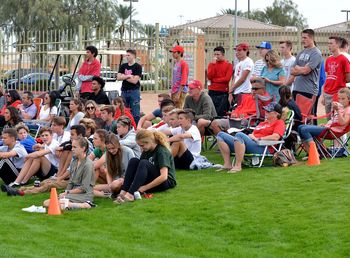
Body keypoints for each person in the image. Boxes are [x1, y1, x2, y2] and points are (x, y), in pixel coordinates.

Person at [216, 102, 286, 173]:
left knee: (239, 135)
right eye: (265, 110)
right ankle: (227, 164)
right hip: (252, 143)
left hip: (263, 146)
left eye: (268, 111)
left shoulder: (279, 123)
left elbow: (275, 137)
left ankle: (238, 165)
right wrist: (251, 136)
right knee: (220, 135)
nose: (266, 112)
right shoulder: (262, 123)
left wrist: (259, 139)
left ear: (276, 114)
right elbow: (253, 134)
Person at [115, 129, 176, 203]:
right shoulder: (146, 151)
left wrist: (144, 188)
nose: (141, 148)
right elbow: (140, 171)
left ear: (149, 142)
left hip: (166, 182)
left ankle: (130, 194)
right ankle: (123, 192)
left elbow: (164, 177)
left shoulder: (161, 151)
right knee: (134, 161)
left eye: (142, 145)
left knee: (144, 163)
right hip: (153, 179)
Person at [43, 137, 96, 210]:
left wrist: (67, 192)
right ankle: (75, 204)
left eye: (75, 147)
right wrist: (66, 192)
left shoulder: (88, 164)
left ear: (83, 148)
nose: (72, 149)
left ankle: (85, 205)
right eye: (72, 147)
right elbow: (71, 182)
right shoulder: (74, 162)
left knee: (54, 204)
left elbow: (84, 188)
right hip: (73, 193)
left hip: (84, 194)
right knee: (47, 203)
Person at [298, 88, 350, 154]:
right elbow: (333, 121)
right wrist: (325, 125)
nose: (340, 101)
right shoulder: (341, 107)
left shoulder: (348, 110)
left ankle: (314, 154)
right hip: (328, 129)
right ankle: (311, 153)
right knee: (300, 127)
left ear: (349, 99)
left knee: (304, 129)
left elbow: (342, 123)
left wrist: (337, 110)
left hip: (332, 132)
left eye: (343, 99)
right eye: (339, 98)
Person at [94, 133, 135, 198]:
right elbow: (109, 172)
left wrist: (120, 181)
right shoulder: (108, 154)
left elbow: (133, 171)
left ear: (118, 145)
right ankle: (107, 195)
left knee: (115, 185)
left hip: (126, 181)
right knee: (89, 189)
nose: (111, 151)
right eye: (109, 149)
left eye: (113, 148)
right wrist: (110, 185)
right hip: (114, 181)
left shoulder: (128, 151)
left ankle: (110, 193)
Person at [287, 29, 322, 104]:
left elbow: (306, 71)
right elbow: (292, 70)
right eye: (302, 38)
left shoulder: (316, 53)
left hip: (309, 90)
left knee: (307, 115)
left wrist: (298, 68)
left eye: (305, 38)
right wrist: (302, 69)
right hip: (296, 89)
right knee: (296, 114)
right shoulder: (301, 52)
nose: (303, 40)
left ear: (311, 38)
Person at [321, 36, 350, 116]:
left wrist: (339, 82)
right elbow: (327, 78)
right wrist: (323, 94)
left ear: (337, 45)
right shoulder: (328, 59)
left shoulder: (344, 59)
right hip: (327, 93)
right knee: (328, 118)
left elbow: (348, 78)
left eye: (331, 43)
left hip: (337, 93)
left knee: (335, 117)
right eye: (328, 43)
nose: (329, 45)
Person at [117, 49, 142, 124]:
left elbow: (135, 81)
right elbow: (118, 77)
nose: (126, 57)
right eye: (126, 55)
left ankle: (136, 128)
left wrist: (123, 76)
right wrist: (128, 76)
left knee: (135, 113)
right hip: (124, 91)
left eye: (128, 55)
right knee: (124, 112)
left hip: (134, 92)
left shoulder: (138, 67)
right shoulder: (123, 66)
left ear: (133, 56)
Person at [207, 46, 233, 116]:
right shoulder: (211, 64)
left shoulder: (228, 65)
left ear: (223, 55)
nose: (216, 56)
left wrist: (215, 80)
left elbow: (227, 79)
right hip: (212, 91)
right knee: (211, 111)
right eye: (215, 54)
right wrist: (213, 65)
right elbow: (209, 76)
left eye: (218, 54)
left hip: (222, 92)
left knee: (221, 112)